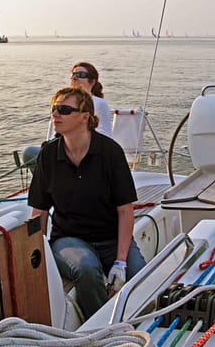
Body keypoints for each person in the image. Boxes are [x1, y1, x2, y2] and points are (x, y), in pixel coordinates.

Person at [28, 86, 146, 318]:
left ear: (85, 118)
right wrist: (37, 256)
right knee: (86, 268)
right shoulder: (49, 155)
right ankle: (104, 329)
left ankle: (135, 321)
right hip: (69, 240)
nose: (55, 115)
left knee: (140, 276)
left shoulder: (110, 152)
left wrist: (121, 262)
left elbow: (125, 211)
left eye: (63, 109)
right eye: (54, 109)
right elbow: (39, 211)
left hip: (111, 238)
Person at [47, 62, 113, 139]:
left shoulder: (98, 103)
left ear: (92, 81)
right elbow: (53, 133)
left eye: (80, 74)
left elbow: (104, 133)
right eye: (73, 74)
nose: (74, 77)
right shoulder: (62, 100)